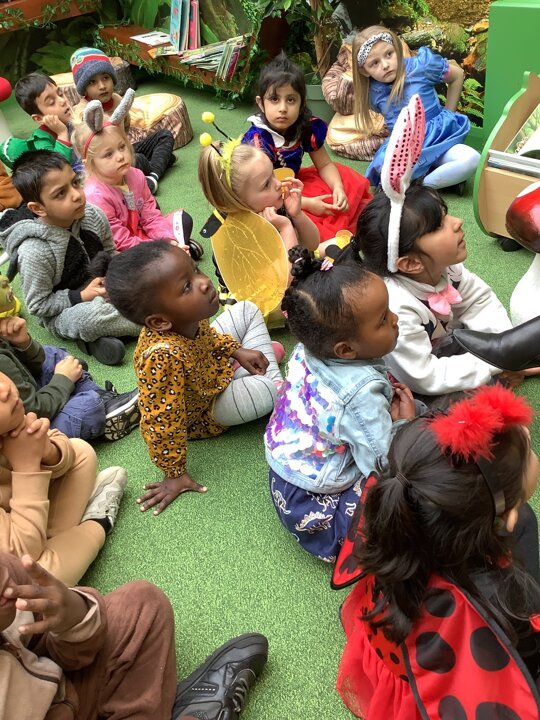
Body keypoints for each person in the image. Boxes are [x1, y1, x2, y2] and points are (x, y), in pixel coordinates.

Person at [335, 385, 540, 718]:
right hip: (438, 701)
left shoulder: (397, 518)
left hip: (401, 658)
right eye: (530, 450)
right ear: (508, 517)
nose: (530, 444)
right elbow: (524, 674)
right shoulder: (507, 602)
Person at [102, 241, 283, 515]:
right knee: (266, 391)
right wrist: (174, 473)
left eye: (195, 270)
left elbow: (209, 338)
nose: (205, 283)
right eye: (187, 286)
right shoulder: (161, 357)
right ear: (160, 322)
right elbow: (162, 423)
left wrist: (236, 350)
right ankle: (276, 387)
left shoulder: (189, 314)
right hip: (204, 411)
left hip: (212, 371)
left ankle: (253, 365)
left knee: (246, 309)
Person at [265, 245, 420, 563]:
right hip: (317, 509)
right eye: (382, 320)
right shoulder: (358, 395)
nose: (395, 319)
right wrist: (404, 424)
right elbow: (385, 465)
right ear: (346, 350)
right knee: (411, 490)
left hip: (286, 472)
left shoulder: (309, 348)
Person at [0, 551, 268, 720]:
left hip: (60, 691)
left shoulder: (8, 575)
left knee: (142, 603)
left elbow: (46, 646)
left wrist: (74, 617)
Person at [356, 183, 525, 397]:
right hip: (405, 373)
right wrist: (495, 362)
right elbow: (424, 376)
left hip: (433, 345)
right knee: (460, 404)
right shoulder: (397, 307)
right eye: (438, 226)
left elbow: (478, 301)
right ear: (410, 263)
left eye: (446, 215)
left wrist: (505, 347)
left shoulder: (447, 268)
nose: (457, 222)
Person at [0, 150, 140, 365]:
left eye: (75, 183)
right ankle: (149, 321)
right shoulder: (34, 252)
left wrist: (119, 278)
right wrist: (81, 296)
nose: (76, 195)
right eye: (60, 194)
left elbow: (111, 253)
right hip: (67, 309)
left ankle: (102, 338)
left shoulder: (92, 214)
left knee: (143, 269)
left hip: (104, 287)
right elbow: (38, 306)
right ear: (38, 208)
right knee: (89, 319)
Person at [0, 370, 127, 585]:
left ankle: (59, 544)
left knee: (80, 451)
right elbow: (23, 552)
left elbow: (65, 449)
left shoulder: (8, 419)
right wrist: (27, 466)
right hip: (15, 548)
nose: (4, 390)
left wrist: (48, 451)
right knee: (33, 579)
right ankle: (97, 521)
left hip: (25, 519)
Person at [241, 52, 372, 241]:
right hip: (271, 197)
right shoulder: (257, 141)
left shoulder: (306, 127)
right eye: (275, 99)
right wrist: (307, 203)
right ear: (261, 103)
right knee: (301, 222)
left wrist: (338, 188)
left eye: (291, 100)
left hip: (296, 184)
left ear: (301, 103)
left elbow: (324, 164)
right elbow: (260, 194)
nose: (283, 108)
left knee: (343, 180)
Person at [71, 91, 202, 258]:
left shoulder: (136, 175)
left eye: (122, 147)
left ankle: (178, 250)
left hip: (142, 235)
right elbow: (121, 241)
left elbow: (151, 216)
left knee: (183, 220)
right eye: (108, 154)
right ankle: (178, 253)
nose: (120, 156)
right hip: (123, 251)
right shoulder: (96, 197)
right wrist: (159, 249)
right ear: (90, 163)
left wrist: (168, 241)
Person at [198, 138, 318, 315]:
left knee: (331, 248)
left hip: (287, 269)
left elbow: (311, 245)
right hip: (258, 297)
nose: (278, 184)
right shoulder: (237, 236)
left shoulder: (270, 206)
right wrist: (286, 228)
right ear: (237, 202)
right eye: (266, 184)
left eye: (273, 174)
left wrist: (297, 215)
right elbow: (287, 282)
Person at [352, 25, 479, 191]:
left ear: (397, 49)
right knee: (387, 175)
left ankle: (423, 186)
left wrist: (449, 113)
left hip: (440, 139)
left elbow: (457, 75)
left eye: (389, 54)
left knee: (471, 159)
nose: (385, 65)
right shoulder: (373, 93)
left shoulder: (421, 66)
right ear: (364, 71)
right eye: (374, 63)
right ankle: (434, 179)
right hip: (405, 149)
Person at [0, 315, 139, 441]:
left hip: (32, 392)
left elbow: (32, 367)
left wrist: (24, 344)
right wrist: (63, 379)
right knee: (89, 407)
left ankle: (103, 398)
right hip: (27, 424)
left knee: (51, 355)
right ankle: (104, 415)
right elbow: (33, 410)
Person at [70, 47, 176, 195]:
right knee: (139, 159)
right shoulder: (83, 112)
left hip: (123, 150)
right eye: (93, 82)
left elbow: (126, 127)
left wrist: (124, 148)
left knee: (164, 135)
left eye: (105, 78)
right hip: (105, 162)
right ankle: (158, 163)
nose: (102, 86)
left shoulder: (117, 100)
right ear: (84, 88)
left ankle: (152, 177)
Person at [0, 72, 83, 174]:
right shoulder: (42, 140)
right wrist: (62, 134)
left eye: (60, 94)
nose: (62, 101)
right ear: (39, 118)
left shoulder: (71, 118)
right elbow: (58, 169)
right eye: (51, 102)